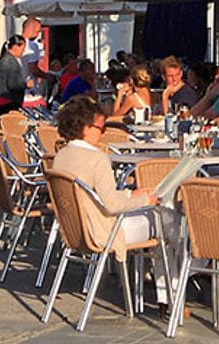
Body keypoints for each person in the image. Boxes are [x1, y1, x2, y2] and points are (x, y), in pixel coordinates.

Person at [51, 97, 165, 274]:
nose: (103, 133)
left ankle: (163, 286)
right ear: (86, 128)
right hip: (102, 232)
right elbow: (112, 206)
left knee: (160, 219)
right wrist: (145, 200)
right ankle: (172, 288)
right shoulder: (98, 159)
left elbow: (92, 196)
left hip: (75, 229)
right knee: (166, 219)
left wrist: (130, 195)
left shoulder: (61, 156)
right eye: (101, 128)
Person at [0, 35, 30, 120]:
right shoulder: (10, 61)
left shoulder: (4, 59)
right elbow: (12, 84)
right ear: (15, 47)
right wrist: (26, 84)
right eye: (22, 48)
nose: (23, 51)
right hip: (6, 100)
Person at [20, 17, 57, 101]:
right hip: (28, 91)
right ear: (30, 29)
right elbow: (33, 68)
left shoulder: (12, 43)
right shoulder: (32, 46)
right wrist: (47, 76)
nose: (38, 35)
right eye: (37, 31)